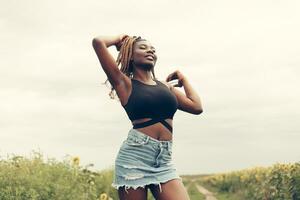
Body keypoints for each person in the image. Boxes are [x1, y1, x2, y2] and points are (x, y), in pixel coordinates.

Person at [92, 34, 203, 200]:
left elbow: (196, 107)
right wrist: (120, 40)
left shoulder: (164, 86)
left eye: (153, 49)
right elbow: (98, 42)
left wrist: (184, 79)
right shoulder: (124, 84)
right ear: (130, 55)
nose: (150, 51)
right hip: (134, 157)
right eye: (143, 47)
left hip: (163, 160)